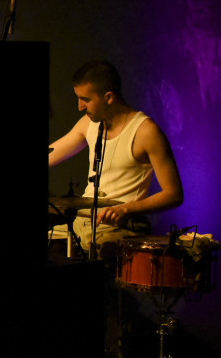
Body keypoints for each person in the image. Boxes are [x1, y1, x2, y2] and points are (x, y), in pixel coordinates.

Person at [48, 60, 183, 259]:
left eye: (85, 99)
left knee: (100, 263)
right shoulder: (88, 124)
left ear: (108, 97)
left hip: (118, 229)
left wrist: (125, 208)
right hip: (80, 224)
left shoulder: (146, 132)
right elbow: (51, 154)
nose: (79, 107)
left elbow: (174, 194)